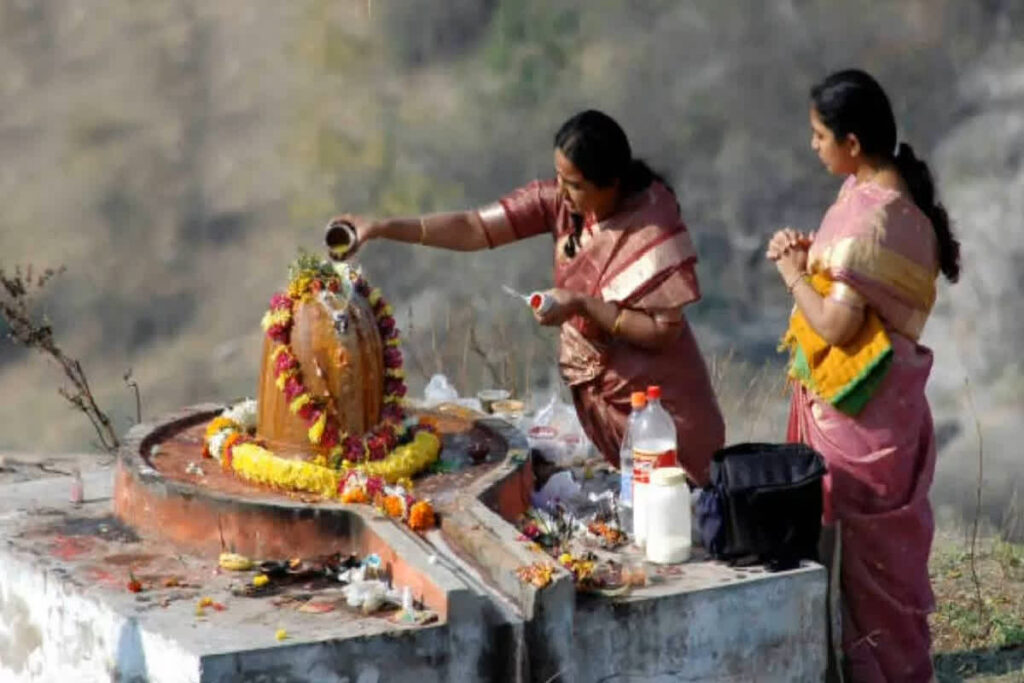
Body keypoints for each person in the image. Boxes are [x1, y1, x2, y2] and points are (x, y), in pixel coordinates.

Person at [331, 109, 724, 485]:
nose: (564, 194)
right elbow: (472, 227)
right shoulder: (558, 204)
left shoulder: (650, 225)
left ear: (612, 183)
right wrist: (381, 228)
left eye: (575, 185)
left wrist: (582, 305)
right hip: (604, 407)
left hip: (663, 413)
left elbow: (662, 332)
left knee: (677, 508)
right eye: (559, 178)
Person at [767, 69, 960, 682]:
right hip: (891, 412)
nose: (813, 147)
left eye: (819, 136)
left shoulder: (869, 221)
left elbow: (837, 328)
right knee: (883, 569)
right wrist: (812, 262)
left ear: (852, 143)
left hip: (859, 415)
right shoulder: (887, 198)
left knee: (860, 565)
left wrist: (794, 274)